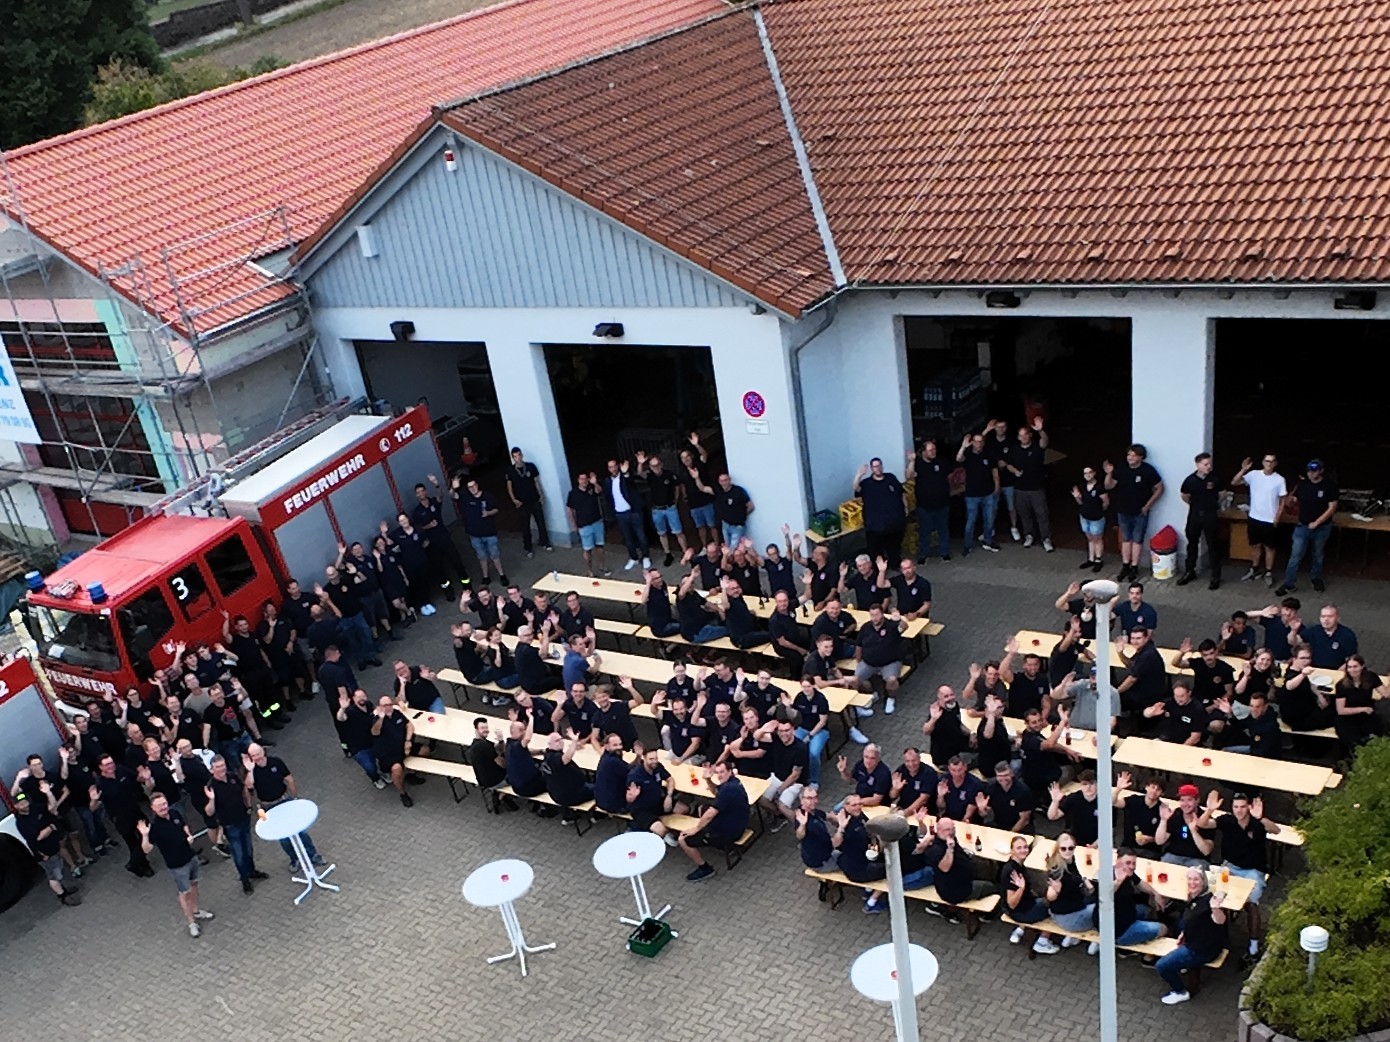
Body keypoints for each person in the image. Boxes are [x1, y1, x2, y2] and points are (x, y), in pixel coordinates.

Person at [1215, 792, 1279, 965]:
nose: (1239, 810)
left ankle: (1253, 945)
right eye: (1236, 807)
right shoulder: (1227, 820)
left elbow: (1276, 830)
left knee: (1251, 904)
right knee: (1214, 897)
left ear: (1249, 807)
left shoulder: (1257, 824)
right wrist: (1210, 809)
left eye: (1243, 807)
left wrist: (1261, 818)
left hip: (1252, 870)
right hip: (1230, 866)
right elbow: (1203, 824)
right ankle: (1217, 938)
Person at [139, 793, 214, 936]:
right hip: (177, 865)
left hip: (190, 857)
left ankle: (197, 911)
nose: (163, 807)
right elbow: (147, 849)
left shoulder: (174, 813)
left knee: (194, 885)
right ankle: (191, 922)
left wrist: (188, 835)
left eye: (164, 803)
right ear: (153, 808)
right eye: (159, 805)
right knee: (184, 893)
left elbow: (183, 825)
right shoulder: (155, 828)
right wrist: (145, 835)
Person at [1154, 869, 1229, 1005]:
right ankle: (1183, 965)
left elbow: (1220, 920)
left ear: (1203, 882)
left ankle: (1180, 992)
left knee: (1161, 966)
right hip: (1193, 940)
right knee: (1178, 924)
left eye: (1196, 880)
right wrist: (1185, 933)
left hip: (1202, 950)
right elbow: (1192, 921)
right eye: (1190, 879)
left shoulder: (1209, 901)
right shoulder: (1193, 897)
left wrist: (1215, 908)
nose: (1192, 883)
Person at [242, 744, 323, 869]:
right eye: (253, 755)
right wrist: (250, 769)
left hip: (285, 800)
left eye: (258, 753)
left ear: (263, 751)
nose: (256, 757)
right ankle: (295, 859)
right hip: (269, 807)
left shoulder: (276, 762)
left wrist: (295, 798)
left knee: (301, 830)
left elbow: (289, 779)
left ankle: (313, 855)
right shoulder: (251, 771)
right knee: (283, 838)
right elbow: (249, 785)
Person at [678, 761, 750, 882]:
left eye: (722, 772)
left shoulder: (729, 790)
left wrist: (695, 829)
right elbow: (716, 793)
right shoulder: (732, 782)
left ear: (730, 771)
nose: (719, 775)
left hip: (730, 831)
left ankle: (705, 868)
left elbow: (711, 814)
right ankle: (718, 844)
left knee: (683, 839)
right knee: (701, 808)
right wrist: (708, 780)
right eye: (717, 773)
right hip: (736, 820)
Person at [204, 754, 266, 894]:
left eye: (223, 765)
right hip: (230, 825)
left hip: (244, 818)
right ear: (211, 769)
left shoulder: (232, 776)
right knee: (238, 853)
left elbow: (244, 790)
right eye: (218, 767)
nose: (222, 769)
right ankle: (244, 880)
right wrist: (212, 799)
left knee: (248, 848)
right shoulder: (210, 787)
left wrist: (249, 806)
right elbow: (208, 812)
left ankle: (252, 871)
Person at [1277, 459, 1339, 595]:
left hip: (1322, 527)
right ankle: (1289, 583)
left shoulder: (1329, 486)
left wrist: (1317, 522)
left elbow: (1332, 507)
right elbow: (1292, 502)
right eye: (1309, 471)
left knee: (1317, 554)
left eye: (1314, 471)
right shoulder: (1303, 484)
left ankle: (1316, 579)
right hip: (1302, 526)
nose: (1311, 473)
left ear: (1321, 471)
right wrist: (1289, 498)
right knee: (1295, 555)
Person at [1104, 444, 1164, 582]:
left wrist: (1148, 506)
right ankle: (1125, 565)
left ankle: (1134, 567)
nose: (1130, 458)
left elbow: (1160, 488)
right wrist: (1109, 473)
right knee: (1126, 538)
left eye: (1133, 455)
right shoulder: (1122, 468)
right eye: (1128, 455)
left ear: (1141, 457)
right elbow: (1109, 486)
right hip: (1123, 509)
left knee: (1137, 540)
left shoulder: (1148, 470)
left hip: (1140, 511)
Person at [13, 791, 82, 907]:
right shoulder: (21, 822)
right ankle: (63, 897)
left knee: (59, 870)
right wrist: (50, 827)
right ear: (15, 807)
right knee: (53, 876)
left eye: (25, 802)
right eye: (20, 804)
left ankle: (64, 889)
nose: (24, 805)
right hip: (44, 854)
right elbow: (37, 837)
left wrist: (48, 793)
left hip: (54, 847)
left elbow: (52, 809)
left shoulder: (36, 808)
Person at [91, 754, 153, 877]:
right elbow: (93, 807)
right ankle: (144, 866)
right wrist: (94, 800)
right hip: (120, 818)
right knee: (132, 842)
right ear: (100, 767)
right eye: (107, 764)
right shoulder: (100, 784)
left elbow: (137, 778)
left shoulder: (121, 770)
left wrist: (144, 777)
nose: (111, 766)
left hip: (135, 810)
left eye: (111, 763)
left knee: (148, 834)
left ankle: (133, 863)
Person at [1233, 453, 1287, 587]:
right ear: (1263, 462)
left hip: (1269, 520)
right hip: (1254, 517)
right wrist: (1243, 469)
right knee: (1254, 545)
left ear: (1275, 464)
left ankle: (1268, 572)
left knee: (1269, 547)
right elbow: (1234, 482)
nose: (1269, 464)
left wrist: (1277, 517)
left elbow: (1282, 501)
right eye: (1267, 461)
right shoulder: (1254, 475)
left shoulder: (1279, 480)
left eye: (1272, 461)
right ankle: (1255, 569)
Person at [413, 475, 470, 597]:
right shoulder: (417, 512)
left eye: (423, 490)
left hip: (444, 538)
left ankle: (467, 587)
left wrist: (436, 484)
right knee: (439, 569)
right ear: (416, 495)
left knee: (457, 562)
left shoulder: (434, 502)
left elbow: (440, 497)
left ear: (426, 491)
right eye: (418, 492)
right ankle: (448, 591)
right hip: (432, 544)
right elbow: (417, 529)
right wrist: (428, 526)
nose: (421, 493)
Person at [1000, 835, 1058, 954]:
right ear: (1012, 850)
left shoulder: (1016, 864)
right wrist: (1021, 888)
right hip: (1020, 912)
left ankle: (1020, 930)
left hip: (1025, 905)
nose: (1023, 850)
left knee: (1043, 895)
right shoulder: (1012, 872)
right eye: (1019, 848)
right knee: (1057, 905)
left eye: (1025, 847)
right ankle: (1042, 940)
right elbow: (1012, 904)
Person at [1002, 417, 1052, 551]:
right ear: (1018, 437)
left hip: (1037, 488)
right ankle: (1029, 536)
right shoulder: (1014, 449)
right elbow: (1005, 463)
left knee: (1042, 514)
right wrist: (1012, 469)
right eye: (1021, 435)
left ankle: (1046, 539)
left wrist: (1040, 430)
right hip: (1020, 488)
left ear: (1030, 435)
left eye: (1026, 434)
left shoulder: (1036, 447)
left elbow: (1045, 442)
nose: (1023, 437)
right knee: (1024, 514)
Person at [922, 816, 994, 909]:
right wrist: (950, 849)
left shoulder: (949, 838)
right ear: (938, 830)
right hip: (957, 891)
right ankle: (986, 914)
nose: (951, 832)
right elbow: (944, 868)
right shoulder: (935, 849)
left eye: (953, 828)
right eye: (947, 829)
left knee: (987, 866)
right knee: (991, 887)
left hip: (964, 875)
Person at [1105, 849, 1170, 952]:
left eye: (1134, 863)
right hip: (1118, 931)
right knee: (1163, 928)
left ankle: (1139, 934)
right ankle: (1138, 951)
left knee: (1146, 910)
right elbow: (1105, 896)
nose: (1131, 866)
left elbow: (1139, 883)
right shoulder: (1109, 877)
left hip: (1126, 914)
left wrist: (1155, 893)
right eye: (1128, 863)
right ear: (1118, 861)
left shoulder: (1126, 872)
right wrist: (1118, 882)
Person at [1178, 452, 1223, 589]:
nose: (1208, 467)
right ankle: (1189, 571)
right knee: (1192, 544)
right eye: (1205, 464)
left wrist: (1213, 504)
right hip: (1195, 515)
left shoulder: (1215, 478)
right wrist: (1195, 505)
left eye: (1210, 464)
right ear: (1198, 465)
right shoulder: (1190, 480)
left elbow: (1222, 493)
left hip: (1210, 515)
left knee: (1213, 546)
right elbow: (1184, 495)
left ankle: (1215, 576)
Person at [855, 603, 908, 715]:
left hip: (890, 662)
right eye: (872, 615)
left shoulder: (891, 625)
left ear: (882, 614)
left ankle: (890, 698)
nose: (875, 618)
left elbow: (903, 627)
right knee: (856, 679)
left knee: (892, 680)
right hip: (869, 662)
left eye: (877, 615)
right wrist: (858, 660)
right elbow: (859, 644)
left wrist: (899, 620)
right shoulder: (866, 627)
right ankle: (872, 694)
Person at [456, 477, 508, 587]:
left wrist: (488, 513)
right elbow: (453, 496)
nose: (472, 488)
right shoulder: (465, 497)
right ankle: (485, 577)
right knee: (481, 557)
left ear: (477, 485)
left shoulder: (488, 496)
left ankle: (502, 575)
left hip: (489, 532)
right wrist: (453, 487)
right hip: (475, 535)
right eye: (470, 487)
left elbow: (496, 509)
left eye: (474, 486)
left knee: (495, 555)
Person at [957, 428, 1001, 554]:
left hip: (988, 492)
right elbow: (959, 459)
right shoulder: (968, 454)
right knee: (971, 521)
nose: (979, 444)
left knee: (989, 519)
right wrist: (963, 447)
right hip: (972, 495)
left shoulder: (989, 453)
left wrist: (997, 485)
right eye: (976, 441)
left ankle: (988, 541)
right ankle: (967, 545)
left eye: (981, 441)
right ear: (972, 443)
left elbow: (994, 470)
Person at [1044, 832, 1096, 938]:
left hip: (1073, 906)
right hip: (1069, 918)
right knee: (1107, 908)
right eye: (1063, 848)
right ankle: (1097, 942)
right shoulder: (1057, 870)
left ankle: (1072, 939)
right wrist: (1056, 891)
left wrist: (1085, 880)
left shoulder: (1069, 861)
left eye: (1070, 848)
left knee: (1098, 895)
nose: (1067, 851)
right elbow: (1050, 895)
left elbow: (1077, 878)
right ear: (1058, 849)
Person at [626, 747, 683, 844]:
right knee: (661, 831)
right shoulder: (635, 775)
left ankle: (663, 825)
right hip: (642, 810)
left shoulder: (657, 767)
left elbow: (670, 779)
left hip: (657, 802)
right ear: (644, 758)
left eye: (656, 758)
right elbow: (628, 799)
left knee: (684, 809)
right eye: (651, 759)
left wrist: (668, 796)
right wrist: (633, 797)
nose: (654, 761)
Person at [603, 457, 651, 572]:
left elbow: (631, 481)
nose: (613, 469)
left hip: (633, 511)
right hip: (620, 514)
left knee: (641, 535)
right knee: (628, 537)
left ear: (618, 466)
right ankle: (633, 557)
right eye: (610, 467)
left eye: (614, 466)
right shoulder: (607, 481)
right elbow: (608, 497)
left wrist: (625, 473)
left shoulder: (625, 477)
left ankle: (646, 557)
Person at [906, 443, 950, 562]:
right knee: (924, 532)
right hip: (925, 506)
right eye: (930, 450)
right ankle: (923, 554)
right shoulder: (918, 463)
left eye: (934, 449)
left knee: (943, 530)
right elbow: (909, 476)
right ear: (923, 452)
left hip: (942, 503)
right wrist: (911, 461)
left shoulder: (941, 461)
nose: (933, 452)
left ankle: (944, 552)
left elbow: (949, 477)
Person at [762, 721, 810, 830]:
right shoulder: (775, 739)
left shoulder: (800, 748)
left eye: (787, 730)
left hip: (795, 783)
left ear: (793, 730)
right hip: (777, 777)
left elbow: (795, 775)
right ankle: (779, 816)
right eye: (781, 731)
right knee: (761, 799)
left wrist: (779, 791)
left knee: (782, 805)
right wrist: (765, 728)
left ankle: (802, 828)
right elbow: (757, 736)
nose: (784, 734)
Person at [1333, 654, 1385, 755]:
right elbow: (1341, 710)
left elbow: (1385, 693)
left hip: (1366, 716)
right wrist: (1363, 709)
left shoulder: (1370, 677)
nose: (1352, 670)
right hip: (1347, 719)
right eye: (1350, 667)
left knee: (1374, 738)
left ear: (1362, 666)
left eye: (1355, 666)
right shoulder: (1342, 685)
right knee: (1354, 743)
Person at [505, 447, 552, 557]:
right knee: (525, 526)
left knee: (541, 522)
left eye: (519, 455)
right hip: (521, 503)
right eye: (515, 456)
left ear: (522, 455)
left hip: (534, 499)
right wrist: (514, 500)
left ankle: (545, 542)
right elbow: (509, 487)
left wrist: (541, 495)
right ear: (513, 458)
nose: (518, 458)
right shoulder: (510, 471)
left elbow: (536, 481)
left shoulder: (530, 467)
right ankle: (528, 548)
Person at [1155, 784, 1216, 867]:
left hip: (1197, 859)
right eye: (1182, 800)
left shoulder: (1205, 819)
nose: (1185, 804)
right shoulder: (1175, 814)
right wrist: (1163, 820)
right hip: (1174, 856)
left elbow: (1206, 851)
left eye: (1189, 800)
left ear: (1197, 800)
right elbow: (1159, 841)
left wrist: (1194, 831)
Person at [370, 695, 416, 808]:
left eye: (390, 704)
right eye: (384, 705)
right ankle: (403, 794)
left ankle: (411, 775)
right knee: (397, 770)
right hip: (388, 754)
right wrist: (381, 718)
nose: (388, 707)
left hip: (402, 748)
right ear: (379, 707)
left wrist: (408, 740)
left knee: (425, 750)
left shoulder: (396, 713)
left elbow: (409, 724)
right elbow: (375, 732)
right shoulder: (376, 719)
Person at [1278, 644, 1335, 732]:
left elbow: (1310, 684)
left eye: (1308, 658)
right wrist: (1303, 674)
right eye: (1302, 658)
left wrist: (1319, 695)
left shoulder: (1299, 671)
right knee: (1336, 715)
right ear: (1294, 659)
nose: (1306, 661)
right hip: (1298, 719)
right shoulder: (1292, 674)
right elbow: (1289, 686)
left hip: (1307, 711)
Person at [541, 731, 595, 824]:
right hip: (571, 795)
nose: (561, 742)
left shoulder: (547, 755)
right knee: (600, 788)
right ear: (550, 744)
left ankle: (567, 816)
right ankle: (598, 815)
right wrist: (574, 741)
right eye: (557, 741)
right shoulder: (555, 758)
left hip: (557, 794)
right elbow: (566, 758)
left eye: (561, 739)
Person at [1114, 627, 1167, 714]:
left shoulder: (1147, 655)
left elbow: (1132, 679)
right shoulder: (1144, 649)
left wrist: (1116, 692)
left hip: (1147, 694)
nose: (1135, 641)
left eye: (1138, 638)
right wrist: (1120, 652)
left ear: (1146, 638)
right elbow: (1130, 664)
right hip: (1144, 689)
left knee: (1112, 700)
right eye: (1133, 638)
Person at [1144, 679, 1213, 746]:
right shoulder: (1170, 702)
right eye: (1176, 696)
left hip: (1187, 744)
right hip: (1167, 739)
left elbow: (1195, 737)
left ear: (1189, 693)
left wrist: (1181, 749)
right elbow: (1146, 713)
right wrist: (1150, 713)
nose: (1179, 699)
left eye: (1182, 696)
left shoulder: (1197, 709)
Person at [789, 678, 832, 786]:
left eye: (808, 686)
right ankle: (794, 774)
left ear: (813, 686)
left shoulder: (821, 699)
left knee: (813, 753)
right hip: (803, 728)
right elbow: (794, 714)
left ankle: (814, 780)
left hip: (820, 730)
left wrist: (811, 734)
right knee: (791, 746)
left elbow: (823, 721)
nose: (806, 689)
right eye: (803, 686)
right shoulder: (800, 697)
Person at [565, 472, 609, 577]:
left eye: (586, 479)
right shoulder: (573, 493)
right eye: (582, 479)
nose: (584, 481)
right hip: (584, 525)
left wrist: (595, 483)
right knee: (587, 549)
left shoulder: (592, 489)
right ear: (578, 480)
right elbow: (570, 510)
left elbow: (600, 491)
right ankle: (589, 570)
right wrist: (574, 525)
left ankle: (602, 566)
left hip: (597, 522)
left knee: (600, 546)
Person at [1115, 771, 1166, 858]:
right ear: (1146, 787)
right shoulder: (1134, 800)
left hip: (1150, 851)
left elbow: (1162, 840)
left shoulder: (1162, 809)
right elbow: (1113, 802)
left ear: (1162, 793)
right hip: (1128, 847)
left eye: (1158, 789)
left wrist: (1149, 839)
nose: (1154, 791)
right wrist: (1118, 788)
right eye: (1152, 787)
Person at [1170, 639, 1236, 705]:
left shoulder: (1226, 669)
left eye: (1211, 653)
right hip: (1197, 698)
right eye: (1205, 655)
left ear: (1216, 652)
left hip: (1216, 701)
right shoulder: (1198, 662)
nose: (1209, 657)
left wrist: (1217, 705)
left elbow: (1229, 693)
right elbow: (1176, 663)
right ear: (1201, 654)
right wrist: (1182, 653)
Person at [1047, 770, 1100, 847]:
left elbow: (1108, 830)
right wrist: (1055, 801)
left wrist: (1094, 845)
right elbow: (1052, 816)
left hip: (1096, 840)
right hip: (1073, 838)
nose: (1088, 787)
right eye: (1084, 784)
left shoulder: (1105, 802)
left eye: (1091, 784)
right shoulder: (1073, 798)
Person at [1071, 465, 1109, 572]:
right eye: (1085, 473)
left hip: (1096, 517)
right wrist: (1077, 497)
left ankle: (1098, 559)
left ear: (1094, 473)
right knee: (1090, 539)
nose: (1087, 475)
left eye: (1090, 472)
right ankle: (1091, 559)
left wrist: (1100, 511)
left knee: (1097, 538)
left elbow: (1106, 502)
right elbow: (1081, 503)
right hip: (1084, 516)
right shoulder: (1082, 486)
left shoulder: (1099, 487)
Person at [977, 762, 1033, 833]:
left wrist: (1010, 834)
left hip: (1021, 828)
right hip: (1000, 825)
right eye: (1000, 776)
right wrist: (982, 809)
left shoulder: (1023, 791)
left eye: (1006, 775)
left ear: (1012, 774)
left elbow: (1024, 819)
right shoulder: (991, 788)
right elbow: (985, 814)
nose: (1003, 779)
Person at [795, 786, 841, 873]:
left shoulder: (812, 811)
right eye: (810, 798)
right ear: (802, 800)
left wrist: (838, 819)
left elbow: (827, 816)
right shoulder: (802, 818)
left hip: (823, 853)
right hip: (822, 863)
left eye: (815, 797)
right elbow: (799, 835)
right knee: (851, 858)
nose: (815, 801)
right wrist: (841, 827)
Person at [1247, 597, 1305, 661]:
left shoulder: (1300, 627)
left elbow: (1293, 642)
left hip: (1285, 660)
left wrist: (1294, 630)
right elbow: (1245, 615)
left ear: (1296, 612)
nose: (1288, 613)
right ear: (1282, 609)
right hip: (1266, 657)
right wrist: (1262, 612)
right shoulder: (1272, 619)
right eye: (1286, 609)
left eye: (1293, 611)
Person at [767, 589, 811, 674]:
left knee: (812, 642)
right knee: (797, 659)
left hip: (794, 637)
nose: (783, 604)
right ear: (776, 602)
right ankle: (795, 678)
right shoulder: (774, 620)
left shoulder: (790, 606)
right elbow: (782, 642)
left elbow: (806, 596)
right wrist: (799, 650)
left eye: (785, 601)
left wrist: (807, 584)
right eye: (780, 601)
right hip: (782, 646)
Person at [1304, 604, 1358, 669]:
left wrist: (1341, 671)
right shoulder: (1313, 630)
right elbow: (1295, 642)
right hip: (1314, 669)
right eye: (1323, 616)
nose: (1326, 619)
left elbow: (1351, 657)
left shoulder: (1347, 635)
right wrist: (1294, 631)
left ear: (1338, 618)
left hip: (1336, 670)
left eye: (1330, 616)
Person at [889, 746, 937, 816]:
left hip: (923, 812)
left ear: (919, 759)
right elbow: (892, 796)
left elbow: (923, 799)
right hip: (903, 808)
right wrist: (896, 789)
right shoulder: (901, 770)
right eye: (907, 761)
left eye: (914, 760)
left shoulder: (929, 773)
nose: (911, 764)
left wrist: (904, 813)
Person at [713, 473, 754, 547]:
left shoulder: (739, 491)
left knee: (734, 549)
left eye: (725, 480)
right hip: (725, 525)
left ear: (729, 480)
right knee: (728, 548)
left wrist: (741, 516)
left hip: (737, 526)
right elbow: (703, 489)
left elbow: (750, 506)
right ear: (719, 482)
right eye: (721, 481)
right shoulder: (719, 492)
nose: (724, 483)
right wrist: (696, 478)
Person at [643, 568, 681, 638]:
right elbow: (644, 600)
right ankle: (668, 648)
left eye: (660, 576)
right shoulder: (650, 592)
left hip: (668, 619)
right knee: (686, 627)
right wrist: (648, 582)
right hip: (660, 627)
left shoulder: (663, 584)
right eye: (656, 578)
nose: (660, 579)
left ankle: (670, 647)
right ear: (651, 581)